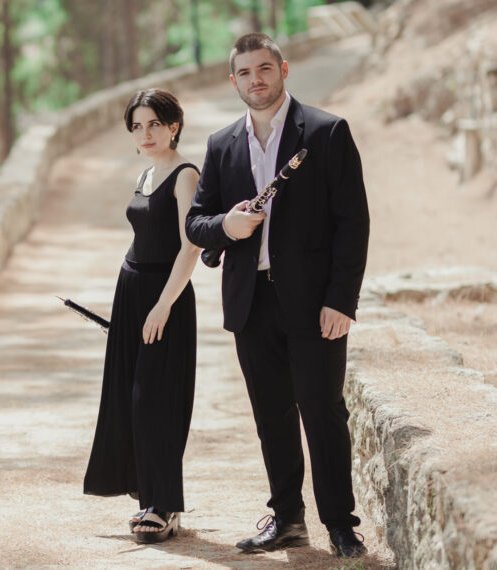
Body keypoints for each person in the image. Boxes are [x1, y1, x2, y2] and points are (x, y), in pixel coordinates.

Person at [184, 33, 370, 559]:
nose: (256, 80)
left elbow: (352, 224)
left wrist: (342, 300)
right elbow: (197, 223)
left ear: (283, 69)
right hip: (250, 302)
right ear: (233, 80)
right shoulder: (221, 144)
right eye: (245, 72)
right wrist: (229, 224)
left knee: (322, 409)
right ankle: (287, 518)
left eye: (264, 68)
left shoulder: (328, 132)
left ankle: (340, 523)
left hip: (315, 304)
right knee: (272, 414)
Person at [83, 89, 202, 543]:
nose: (145, 133)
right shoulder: (146, 172)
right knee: (128, 397)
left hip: (163, 297)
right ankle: (148, 497)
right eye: (137, 125)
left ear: (173, 126)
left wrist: (163, 304)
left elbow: (190, 245)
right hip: (131, 292)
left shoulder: (185, 174)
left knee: (153, 400)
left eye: (154, 123)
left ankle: (165, 504)